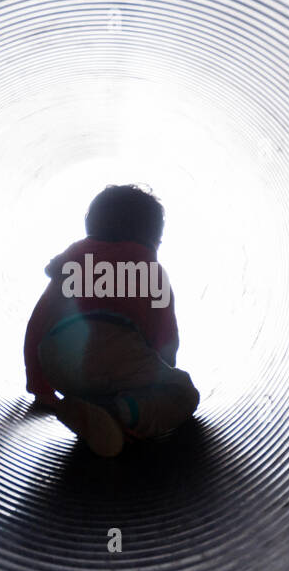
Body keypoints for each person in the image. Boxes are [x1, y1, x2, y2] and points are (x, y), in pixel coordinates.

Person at [23, 185, 200, 456]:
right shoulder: (149, 268)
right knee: (184, 393)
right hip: (117, 356)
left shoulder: (71, 263)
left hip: (58, 360)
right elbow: (165, 336)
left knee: (100, 380)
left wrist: (40, 386)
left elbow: (38, 323)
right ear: (154, 239)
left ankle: (90, 412)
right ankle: (121, 413)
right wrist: (158, 379)